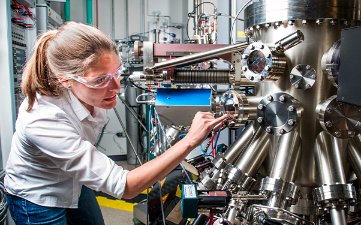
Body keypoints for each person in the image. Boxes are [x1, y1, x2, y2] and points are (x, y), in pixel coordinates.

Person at [4, 21, 229, 225]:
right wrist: (190, 141)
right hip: (38, 196)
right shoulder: (42, 119)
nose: (115, 86)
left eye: (117, 72)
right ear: (65, 80)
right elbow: (126, 186)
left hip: (74, 182)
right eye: (100, 80)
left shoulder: (92, 93)